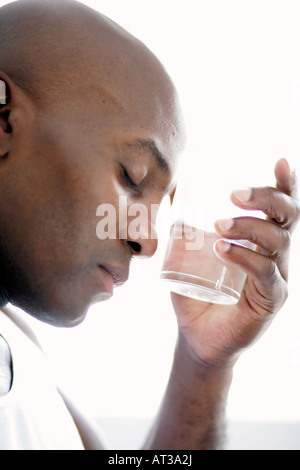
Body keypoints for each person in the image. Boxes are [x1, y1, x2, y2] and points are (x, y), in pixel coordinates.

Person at [0, 0, 299, 450]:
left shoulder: (18, 355)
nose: (149, 240)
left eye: (161, 207)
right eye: (132, 176)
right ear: (4, 123)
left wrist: (203, 364)